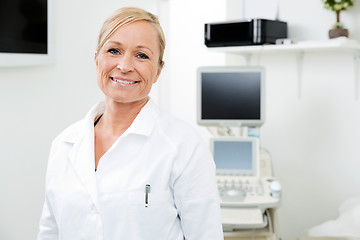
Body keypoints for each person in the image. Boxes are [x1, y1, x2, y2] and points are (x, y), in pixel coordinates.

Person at [37, 7, 223, 240]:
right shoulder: (64, 145)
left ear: (158, 71)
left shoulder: (184, 146)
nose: (124, 66)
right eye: (114, 50)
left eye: (142, 55)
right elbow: (50, 232)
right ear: (96, 59)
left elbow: (205, 235)